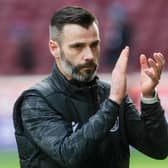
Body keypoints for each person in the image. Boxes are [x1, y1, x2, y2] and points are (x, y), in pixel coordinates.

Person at [13, 6, 168, 168]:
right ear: (54, 48)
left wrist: (149, 97)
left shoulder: (110, 93)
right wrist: (112, 103)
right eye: (77, 46)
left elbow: (159, 149)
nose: (89, 55)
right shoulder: (35, 101)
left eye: (94, 45)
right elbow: (68, 155)